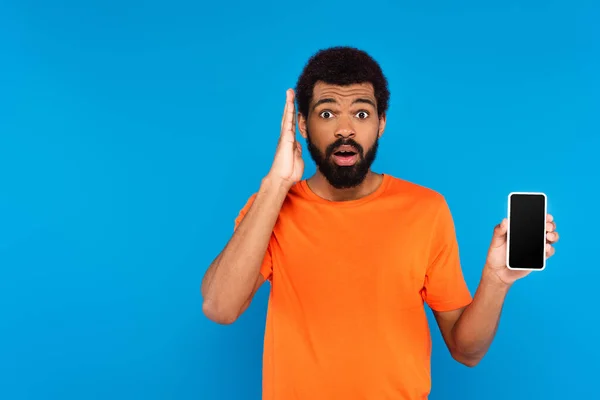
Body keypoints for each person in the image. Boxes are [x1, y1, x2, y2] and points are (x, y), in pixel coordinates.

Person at [200, 46, 560, 400]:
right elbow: (220, 307)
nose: (345, 130)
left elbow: (466, 352)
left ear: (381, 123)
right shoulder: (271, 207)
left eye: (361, 114)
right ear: (302, 126)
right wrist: (277, 183)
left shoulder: (426, 209)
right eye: (326, 115)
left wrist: (497, 280)